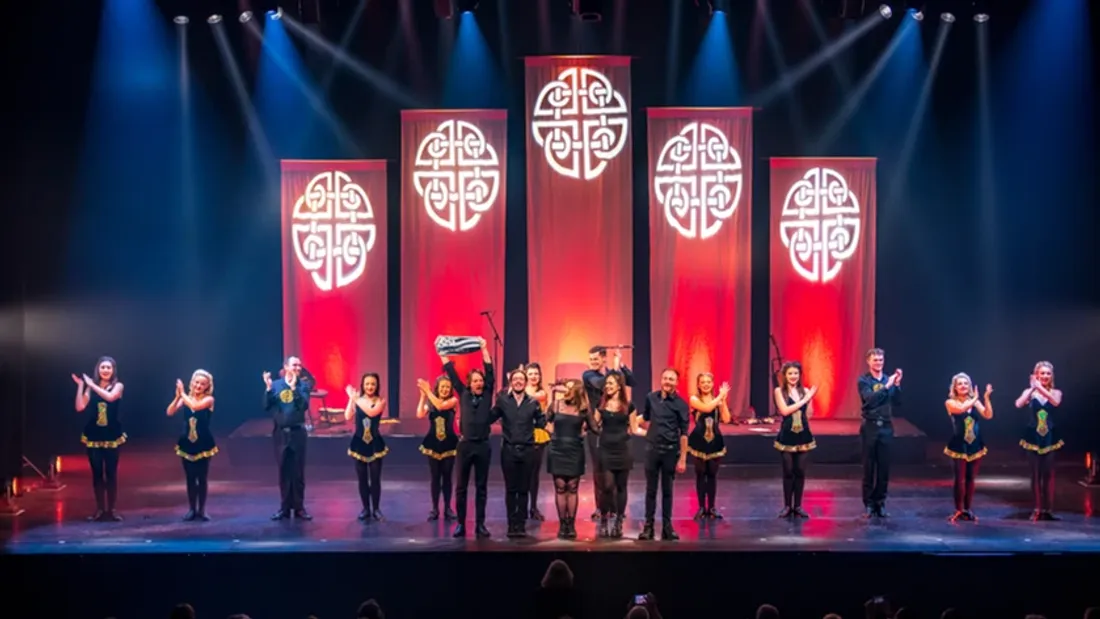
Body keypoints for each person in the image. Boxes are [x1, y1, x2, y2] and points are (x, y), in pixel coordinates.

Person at [442, 337, 494, 539]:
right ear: (470, 383)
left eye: (480, 380)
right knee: (461, 487)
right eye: (476, 381)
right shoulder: (462, 393)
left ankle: (480, 525)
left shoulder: (488, 392)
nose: (479, 382)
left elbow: (489, 371)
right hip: (464, 446)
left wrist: (484, 349)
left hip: (483, 446)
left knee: (481, 487)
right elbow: (452, 374)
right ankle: (461, 524)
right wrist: (443, 356)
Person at [491, 368, 548, 538]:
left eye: (521, 379)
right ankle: (511, 524)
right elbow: (490, 417)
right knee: (511, 489)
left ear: (525, 383)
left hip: (528, 450)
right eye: (515, 379)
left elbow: (541, 422)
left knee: (524, 490)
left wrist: (547, 414)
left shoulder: (533, 402)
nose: (518, 382)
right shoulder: (503, 401)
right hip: (508, 450)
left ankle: (521, 524)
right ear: (511, 382)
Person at [582, 346, 635, 520]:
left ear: (604, 359)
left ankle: (616, 508)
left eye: (596, 359)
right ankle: (601, 508)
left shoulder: (613, 375)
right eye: (591, 359)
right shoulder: (589, 375)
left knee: (617, 473)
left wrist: (622, 366)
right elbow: (604, 384)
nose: (593, 362)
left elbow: (632, 381)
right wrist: (615, 367)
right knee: (600, 470)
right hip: (597, 427)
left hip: (616, 429)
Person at [637, 368, 690, 541]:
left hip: (670, 451)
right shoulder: (651, 398)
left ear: (676, 382)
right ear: (661, 380)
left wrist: (682, 458)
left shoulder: (681, 405)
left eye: (671, 379)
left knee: (667, 491)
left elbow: (683, 433)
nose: (667, 382)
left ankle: (667, 526)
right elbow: (644, 418)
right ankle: (648, 526)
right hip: (652, 450)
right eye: (665, 378)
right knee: (650, 490)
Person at [72, 356, 126, 522]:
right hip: (94, 435)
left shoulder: (118, 386)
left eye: (108, 367)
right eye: (102, 367)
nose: (105, 370)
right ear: (98, 369)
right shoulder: (91, 387)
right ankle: (100, 509)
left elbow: (110, 398)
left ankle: (111, 510)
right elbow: (80, 407)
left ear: (113, 370)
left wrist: (92, 385)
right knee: (97, 474)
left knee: (111, 473)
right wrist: (82, 386)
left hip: (111, 435)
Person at [546, 380, 599, 539]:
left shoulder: (583, 408)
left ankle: (571, 524)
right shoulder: (556, 405)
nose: (564, 392)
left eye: (568, 389)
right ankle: (563, 524)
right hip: (557, 449)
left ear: (576, 391)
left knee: (573, 487)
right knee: (560, 486)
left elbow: (595, 428)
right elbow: (545, 420)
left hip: (575, 449)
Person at [264, 356, 313, 520]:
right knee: (284, 471)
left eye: (299, 365)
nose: (297, 368)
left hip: (297, 433)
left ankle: (299, 508)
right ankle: (284, 508)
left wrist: (293, 389)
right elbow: (266, 406)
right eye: (294, 365)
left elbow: (304, 405)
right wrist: (269, 389)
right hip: (280, 434)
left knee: (298, 472)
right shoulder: (277, 385)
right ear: (285, 367)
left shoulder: (303, 386)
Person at [1015, 361, 1064, 521]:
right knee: (1035, 474)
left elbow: (1055, 402)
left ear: (1051, 376)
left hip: (1050, 436)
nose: (1045, 376)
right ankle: (1037, 508)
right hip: (1032, 436)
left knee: (1048, 474)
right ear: (1036, 375)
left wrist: (1039, 387)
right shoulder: (1030, 392)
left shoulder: (1056, 392)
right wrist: (1032, 389)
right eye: (1041, 373)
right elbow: (1018, 404)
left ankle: (1048, 509)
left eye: (1048, 373)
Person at [166, 369, 218, 521]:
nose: (198, 386)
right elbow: (169, 412)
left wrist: (182, 393)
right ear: (192, 382)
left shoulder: (209, 400)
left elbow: (195, 407)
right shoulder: (185, 398)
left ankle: (201, 510)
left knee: (201, 477)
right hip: (187, 443)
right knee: (190, 477)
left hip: (203, 443)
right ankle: (191, 509)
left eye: (202, 384)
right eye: (196, 382)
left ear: (207, 386)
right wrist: (177, 397)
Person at [857, 348, 902, 518]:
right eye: (875, 360)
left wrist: (896, 386)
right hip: (870, 426)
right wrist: (888, 385)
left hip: (886, 427)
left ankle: (880, 503)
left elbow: (897, 402)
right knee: (869, 467)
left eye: (881, 360)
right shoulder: (864, 380)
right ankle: (869, 504)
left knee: (884, 468)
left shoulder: (888, 379)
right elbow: (870, 400)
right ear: (868, 361)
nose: (878, 363)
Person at [944, 373, 993, 522]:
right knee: (959, 479)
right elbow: (960, 410)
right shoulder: (951, 402)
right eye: (960, 384)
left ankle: (967, 509)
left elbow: (988, 415)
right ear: (955, 387)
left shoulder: (974, 401)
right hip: (959, 445)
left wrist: (986, 398)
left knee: (971, 478)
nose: (964, 386)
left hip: (975, 444)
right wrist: (974, 399)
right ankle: (958, 509)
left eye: (966, 383)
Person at [773, 361, 818, 518]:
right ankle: (787, 506)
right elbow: (785, 411)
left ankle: (798, 505)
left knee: (800, 472)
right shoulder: (779, 391)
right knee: (788, 471)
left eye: (796, 373)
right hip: (787, 436)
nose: (793, 376)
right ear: (785, 375)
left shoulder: (804, 391)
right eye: (790, 373)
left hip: (803, 435)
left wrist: (810, 400)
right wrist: (806, 399)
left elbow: (809, 414)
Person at [596, 371, 638, 538]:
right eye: (606, 383)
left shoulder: (630, 406)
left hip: (623, 449)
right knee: (607, 487)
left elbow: (634, 429)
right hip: (606, 449)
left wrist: (652, 435)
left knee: (621, 486)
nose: (607, 386)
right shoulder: (602, 405)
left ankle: (619, 522)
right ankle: (605, 521)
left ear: (620, 385)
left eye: (611, 383)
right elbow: (593, 424)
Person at [686, 373, 731, 520]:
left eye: (708, 382)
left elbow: (726, 419)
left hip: (715, 442)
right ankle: (700, 507)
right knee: (700, 475)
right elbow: (706, 409)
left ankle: (711, 507)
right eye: (702, 382)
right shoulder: (694, 399)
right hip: (699, 441)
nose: (705, 384)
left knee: (712, 475)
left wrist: (723, 401)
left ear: (712, 384)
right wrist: (719, 397)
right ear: (698, 385)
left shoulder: (717, 400)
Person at [345, 372, 388, 522]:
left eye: (373, 384)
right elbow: (347, 416)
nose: (370, 386)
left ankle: (376, 508)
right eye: (367, 384)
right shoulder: (358, 400)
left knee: (375, 479)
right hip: (359, 444)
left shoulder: (380, 401)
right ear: (363, 385)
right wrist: (351, 399)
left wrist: (355, 398)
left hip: (375, 444)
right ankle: (365, 508)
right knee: (362, 479)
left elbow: (371, 411)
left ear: (377, 386)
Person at [416, 375, 459, 521]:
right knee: (435, 477)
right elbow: (420, 414)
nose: (445, 389)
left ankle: (447, 507)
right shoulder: (431, 401)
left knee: (447, 476)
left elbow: (441, 406)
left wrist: (428, 392)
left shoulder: (453, 401)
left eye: (447, 387)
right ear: (438, 388)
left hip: (449, 443)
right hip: (433, 443)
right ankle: (435, 508)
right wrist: (423, 396)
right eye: (442, 387)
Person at [525, 362, 550, 522]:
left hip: (537, 434)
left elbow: (532, 399)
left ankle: (533, 507)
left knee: (534, 474)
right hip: (521, 434)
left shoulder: (541, 393)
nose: (534, 376)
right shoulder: (518, 391)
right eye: (531, 373)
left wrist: (515, 388)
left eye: (536, 374)